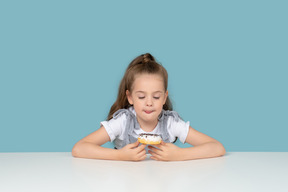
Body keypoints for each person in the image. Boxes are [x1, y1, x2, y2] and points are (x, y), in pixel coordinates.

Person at [72, 53, 226, 161]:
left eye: (156, 96)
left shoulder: (170, 123)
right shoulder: (124, 121)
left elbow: (217, 147)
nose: (149, 103)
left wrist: (180, 155)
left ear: (164, 97)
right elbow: (80, 148)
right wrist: (120, 156)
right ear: (130, 97)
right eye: (141, 96)